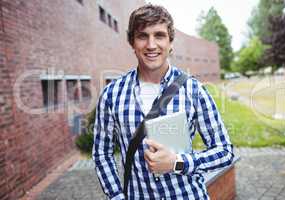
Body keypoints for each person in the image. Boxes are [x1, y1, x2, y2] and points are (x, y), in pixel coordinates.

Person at [93, 4, 234, 200]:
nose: (151, 45)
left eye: (159, 35)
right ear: (132, 43)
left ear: (170, 43)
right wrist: (116, 195)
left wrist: (178, 163)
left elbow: (225, 151)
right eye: (142, 36)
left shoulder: (193, 90)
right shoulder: (111, 94)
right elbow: (102, 153)